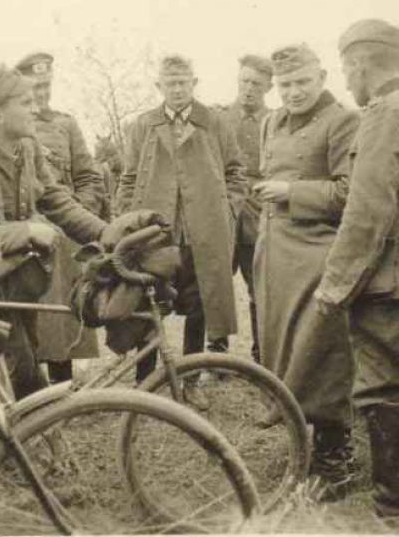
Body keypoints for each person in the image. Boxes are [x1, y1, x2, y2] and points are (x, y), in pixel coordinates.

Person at [0, 64, 112, 399]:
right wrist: (27, 231)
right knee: (23, 374)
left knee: (28, 358)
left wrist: (107, 234)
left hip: (21, 282)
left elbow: (56, 200)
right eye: (26, 103)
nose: (35, 109)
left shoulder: (27, 149)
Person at [253, 43, 359, 499]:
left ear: (322, 78)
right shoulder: (271, 121)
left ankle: (336, 458)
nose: (293, 92)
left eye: (302, 82)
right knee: (282, 346)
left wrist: (291, 191)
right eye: (285, 84)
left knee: (322, 351)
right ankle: (302, 439)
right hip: (275, 252)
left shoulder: (343, 121)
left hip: (319, 253)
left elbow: (351, 192)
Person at [116, 54, 247, 408]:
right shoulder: (143, 125)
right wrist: (129, 220)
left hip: (201, 234)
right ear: (159, 86)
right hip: (156, 236)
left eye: (183, 82)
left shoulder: (214, 122)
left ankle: (190, 380)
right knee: (149, 304)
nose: (177, 89)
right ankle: (144, 380)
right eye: (170, 83)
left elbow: (236, 173)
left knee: (199, 305)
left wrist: (227, 211)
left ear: (194, 83)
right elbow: (128, 178)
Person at [315, 19, 399, 520]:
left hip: (388, 290)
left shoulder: (384, 114)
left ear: (361, 65)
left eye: (346, 70)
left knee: (383, 388)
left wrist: (334, 287)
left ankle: (392, 510)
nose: (347, 82)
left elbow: (367, 213)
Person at [15, 52, 104, 383]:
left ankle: (63, 388)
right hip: (24, 235)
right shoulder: (12, 127)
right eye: (34, 87)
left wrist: (80, 210)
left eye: (46, 86)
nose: (41, 93)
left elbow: (88, 176)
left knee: (62, 320)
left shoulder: (65, 124)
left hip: (62, 235)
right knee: (28, 318)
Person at [217, 55, 273, 362]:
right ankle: (216, 354)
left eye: (256, 84)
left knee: (259, 288)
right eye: (244, 81)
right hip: (224, 212)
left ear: (269, 87)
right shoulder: (219, 118)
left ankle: (261, 355)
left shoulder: (275, 120)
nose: (249, 89)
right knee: (217, 284)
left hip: (258, 215)